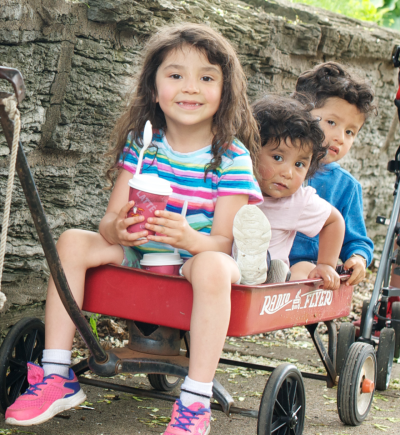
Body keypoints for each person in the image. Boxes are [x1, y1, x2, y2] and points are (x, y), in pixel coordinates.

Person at [5, 23, 264, 435]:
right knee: (73, 241)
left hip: (197, 259)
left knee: (213, 265)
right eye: (175, 75)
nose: (190, 88)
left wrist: (188, 240)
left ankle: (195, 401)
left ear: (225, 90)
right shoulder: (145, 146)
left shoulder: (230, 158)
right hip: (142, 253)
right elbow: (109, 223)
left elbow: (222, 242)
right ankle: (57, 375)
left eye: (207, 77)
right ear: (154, 85)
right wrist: (120, 230)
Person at [232, 96, 345, 289]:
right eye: (277, 157)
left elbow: (334, 221)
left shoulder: (298, 201)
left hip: (270, 288)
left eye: (299, 164)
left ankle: (264, 272)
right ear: (251, 150)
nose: (288, 173)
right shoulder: (232, 186)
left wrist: (326, 264)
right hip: (227, 276)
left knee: (275, 271)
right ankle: (242, 268)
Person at [289, 62, 376, 286]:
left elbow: (356, 238)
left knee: (304, 271)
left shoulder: (346, 186)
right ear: (302, 112)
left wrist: (357, 258)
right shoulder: (275, 165)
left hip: (309, 269)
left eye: (350, 132)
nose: (340, 137)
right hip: (263, 258)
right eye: (331, 122)